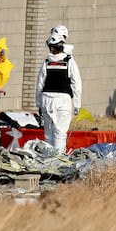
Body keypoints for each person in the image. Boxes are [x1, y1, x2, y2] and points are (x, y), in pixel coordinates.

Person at [36, 25, 82, 155]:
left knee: (49, 135)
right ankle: (57, 160)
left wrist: (39, 103)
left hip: (46, 101)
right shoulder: (69, 61)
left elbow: (39, 85)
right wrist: (77, 104)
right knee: (60, 134)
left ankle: (48, 160)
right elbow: (76, 83)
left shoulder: (46, 62)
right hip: (63, 101)